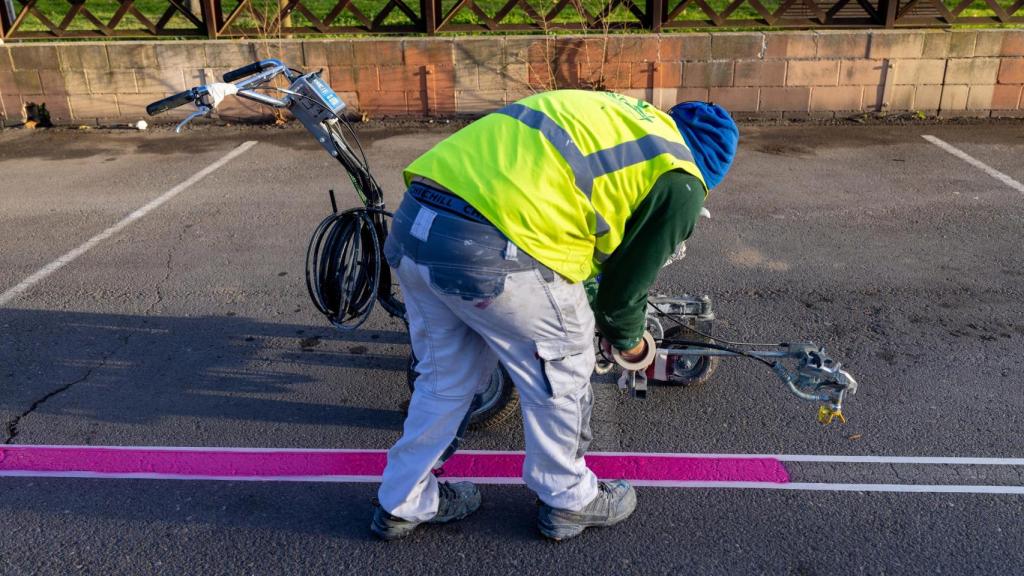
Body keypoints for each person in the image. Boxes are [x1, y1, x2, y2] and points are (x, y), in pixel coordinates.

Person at [371, 90, 738, 541]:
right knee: (564, 366)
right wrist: (632, 343)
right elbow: (623, 297)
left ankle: (403, 501)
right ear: (712, 168)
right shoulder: (681, 177)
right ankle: (569, 499)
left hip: (417, 222)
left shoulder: (621, 119)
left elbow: (569, 225)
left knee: (444, 378)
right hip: (492, 245)